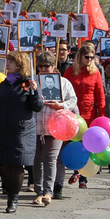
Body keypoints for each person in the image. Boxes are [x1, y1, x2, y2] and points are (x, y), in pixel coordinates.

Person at [0, 52, 43, 213]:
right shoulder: (4, 84)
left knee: (17, 164)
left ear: (20, 64)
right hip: (4, 129)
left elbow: (37, 107)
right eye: (8, 61)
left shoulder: (27, 83)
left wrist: (35, 92)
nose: (8, 64)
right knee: (3, 164)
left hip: (21, 131)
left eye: (11, 62)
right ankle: (9, 192)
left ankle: (13, 199)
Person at [33, 51, 77, 204]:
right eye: (41, 66)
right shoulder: (33, 81)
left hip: (55, 128)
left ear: (53, 66)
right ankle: (38, 191)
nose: (44, 69)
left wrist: (62, 105)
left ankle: (48, 192)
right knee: (36, 160)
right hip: (36, 127)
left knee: (50, 160)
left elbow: (73, 100)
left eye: (47, 66)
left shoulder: (64, 83)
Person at [64, 42, 106, 188]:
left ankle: (82, 177)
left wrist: (102, 117)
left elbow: (100, 96)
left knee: (87, 145)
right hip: (73, 113)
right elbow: (64, 92)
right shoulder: (70, 71)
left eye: (92, 57)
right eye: (87, 57)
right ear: (80, 56)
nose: (90, 60)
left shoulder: (96, 72)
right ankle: (75, 169)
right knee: (73, 144)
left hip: (89, 115)